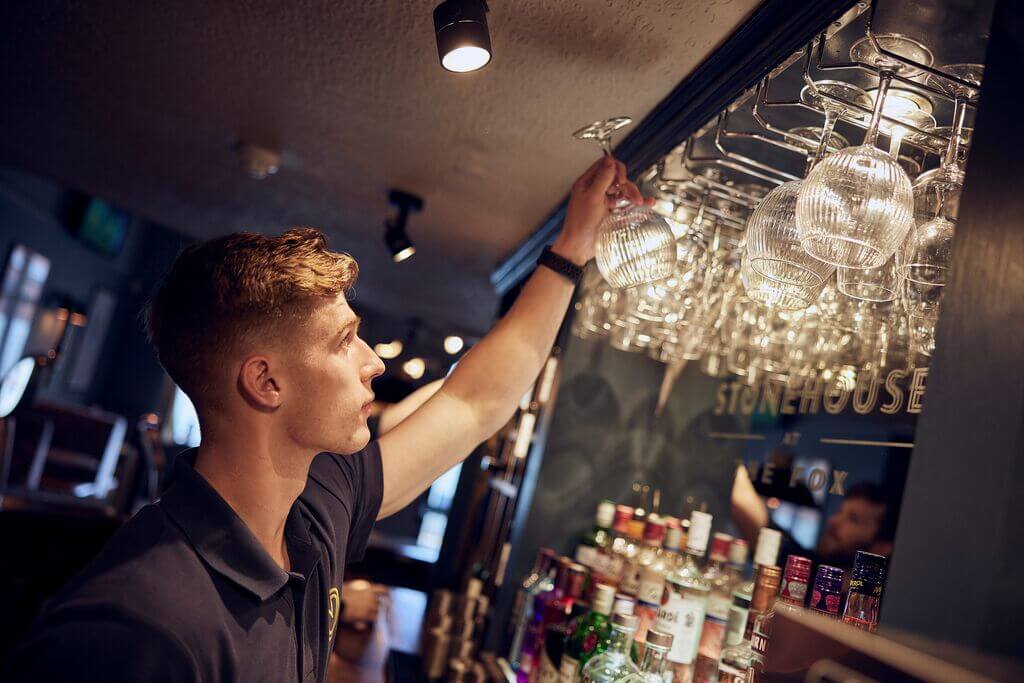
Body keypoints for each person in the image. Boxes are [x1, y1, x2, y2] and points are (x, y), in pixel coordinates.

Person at [6, 155, 649, 682]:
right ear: (266, 382)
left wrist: (572, 249)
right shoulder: (132, 630)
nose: (374, 363)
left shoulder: (315, 503)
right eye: (345, 341)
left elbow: (472, 402)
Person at [731, 464, 896, 568]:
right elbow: (767, 533)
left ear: (881, 548)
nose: (834, 520)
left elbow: (762, 529)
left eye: (853, 519)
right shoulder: (810, 570)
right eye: (840, 512)